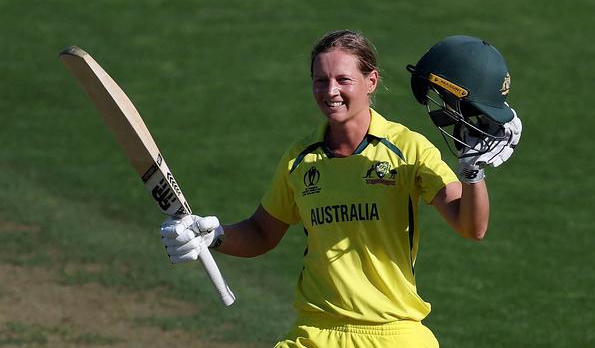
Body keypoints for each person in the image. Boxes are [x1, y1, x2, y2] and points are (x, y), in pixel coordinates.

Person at [160, 31, 522, 347]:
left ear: (371, 81)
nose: (330, 91)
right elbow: (261, 233)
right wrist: (215, 236)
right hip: (316, 332)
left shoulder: (408, 149)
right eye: (321, 80)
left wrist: (473, 174)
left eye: (343, 80)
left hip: (393, 334)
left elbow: (471, 227)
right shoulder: (300, 160)